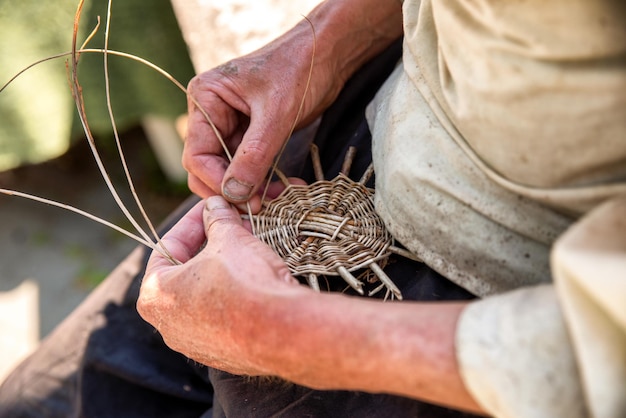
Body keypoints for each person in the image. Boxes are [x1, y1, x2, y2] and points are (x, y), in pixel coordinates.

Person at [1, 0, 625, 417]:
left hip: (467, 325)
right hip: (362, 135)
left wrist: (280, 333)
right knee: (42, 401)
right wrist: (328, 37)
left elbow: (604, 364)